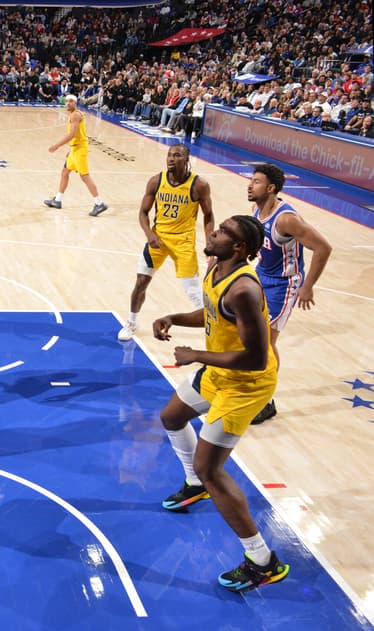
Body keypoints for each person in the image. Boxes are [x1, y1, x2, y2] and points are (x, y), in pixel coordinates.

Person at [153, 214, 289, 593]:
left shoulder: (244, 289)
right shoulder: (217, 270)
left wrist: (195, 353)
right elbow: (212, 312)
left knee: (212, 469)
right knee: (171, 417)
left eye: (223, 232)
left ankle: (263, 561)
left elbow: (256, 358)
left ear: (239, 248)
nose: (213, 233)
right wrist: (174, 317)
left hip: (245, 385)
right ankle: (195, 484)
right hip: (218, 370)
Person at [247, 163, 332, 424]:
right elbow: (261, 244)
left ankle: (266, 401)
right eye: (251, 180)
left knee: (266, 343)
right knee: (250, 336)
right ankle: (251, 383)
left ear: (271, 188)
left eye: (257, 181)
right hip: (262, 276)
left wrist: (307, 286)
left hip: (284, 285)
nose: (250, 185)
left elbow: (324, 248)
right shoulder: (257, 209)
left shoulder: (286, 219)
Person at [117, 144, 214, 341]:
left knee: (194, 291)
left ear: (186, 159)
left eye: (177, 155)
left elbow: (209, 215)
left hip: (183, 242)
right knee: (141, 282)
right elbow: (143, 212)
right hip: (158, 239)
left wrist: (210, 246)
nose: (171, 158)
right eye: (169, 155)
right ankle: (132, 322)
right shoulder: (156, 181)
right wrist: (149, 234)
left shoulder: (199, 185)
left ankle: (213, 325)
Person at [43, 95, 108, 216]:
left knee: (85, 176)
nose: (68, 103)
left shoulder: (75, 115)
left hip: (80, 150)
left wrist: (56, 145)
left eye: (71, 101)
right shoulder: (73, 115)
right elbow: (77, 135)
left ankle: (99, 203)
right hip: (75, 148)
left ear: (75, 103)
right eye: (66, 101)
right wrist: (71, 148)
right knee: (65, 172)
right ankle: (57, 200)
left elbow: (72, 134)